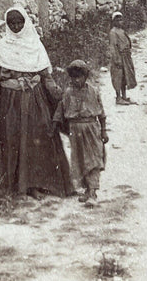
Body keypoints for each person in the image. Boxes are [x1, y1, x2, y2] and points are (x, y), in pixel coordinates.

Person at [0, 5, 74, 200]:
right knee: (13, 139)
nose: (16, 26)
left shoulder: (35, 44)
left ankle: (36, 184)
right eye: (12, 23)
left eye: (19, 22)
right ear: (7, 25)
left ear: (25, 23)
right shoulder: (1, 46)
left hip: (34, 99)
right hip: (10, 101)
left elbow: (46, 76)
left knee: (38, 139)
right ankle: (17, 186)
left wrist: (59, 95)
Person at [52, 60, 108, 206]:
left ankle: (93, 192)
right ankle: (87, 190)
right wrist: (55, 124)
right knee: (79, 160)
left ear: (86, 76)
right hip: (75, 130)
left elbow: (101, 113)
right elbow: (60, 110)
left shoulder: (93, 91)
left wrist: (103, 131)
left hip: (91, 128)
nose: (77, 80)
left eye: (79, 77)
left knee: (93, 159)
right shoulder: (68, 92)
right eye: (74, 77)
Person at [109, 11, 137, 105]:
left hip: (126, 57)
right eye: (117, 20)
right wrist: (117, 60)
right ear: (113, 22)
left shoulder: (121, 31)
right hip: (119, 57)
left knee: (125, 77)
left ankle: (124, 96)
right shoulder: (113, 32)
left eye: (121, 19)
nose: (120, 22)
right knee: (118, 77)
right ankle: (118, 97)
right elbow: (113, 47)